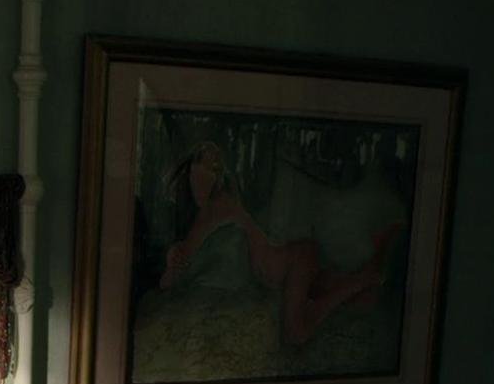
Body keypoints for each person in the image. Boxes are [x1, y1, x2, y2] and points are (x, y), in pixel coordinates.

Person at [158, 139, 403, 346]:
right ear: (189, 172)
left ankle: (365, 275)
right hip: (289, 260)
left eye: (214, 168)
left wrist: (173, 266)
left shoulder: (217, 206)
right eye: (203, 167)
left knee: (297, 332)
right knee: (359, 298)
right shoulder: (207, 214)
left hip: (292, 260)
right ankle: (368, 273)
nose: (209, 175)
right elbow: (177, 273)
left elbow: (174, 275)